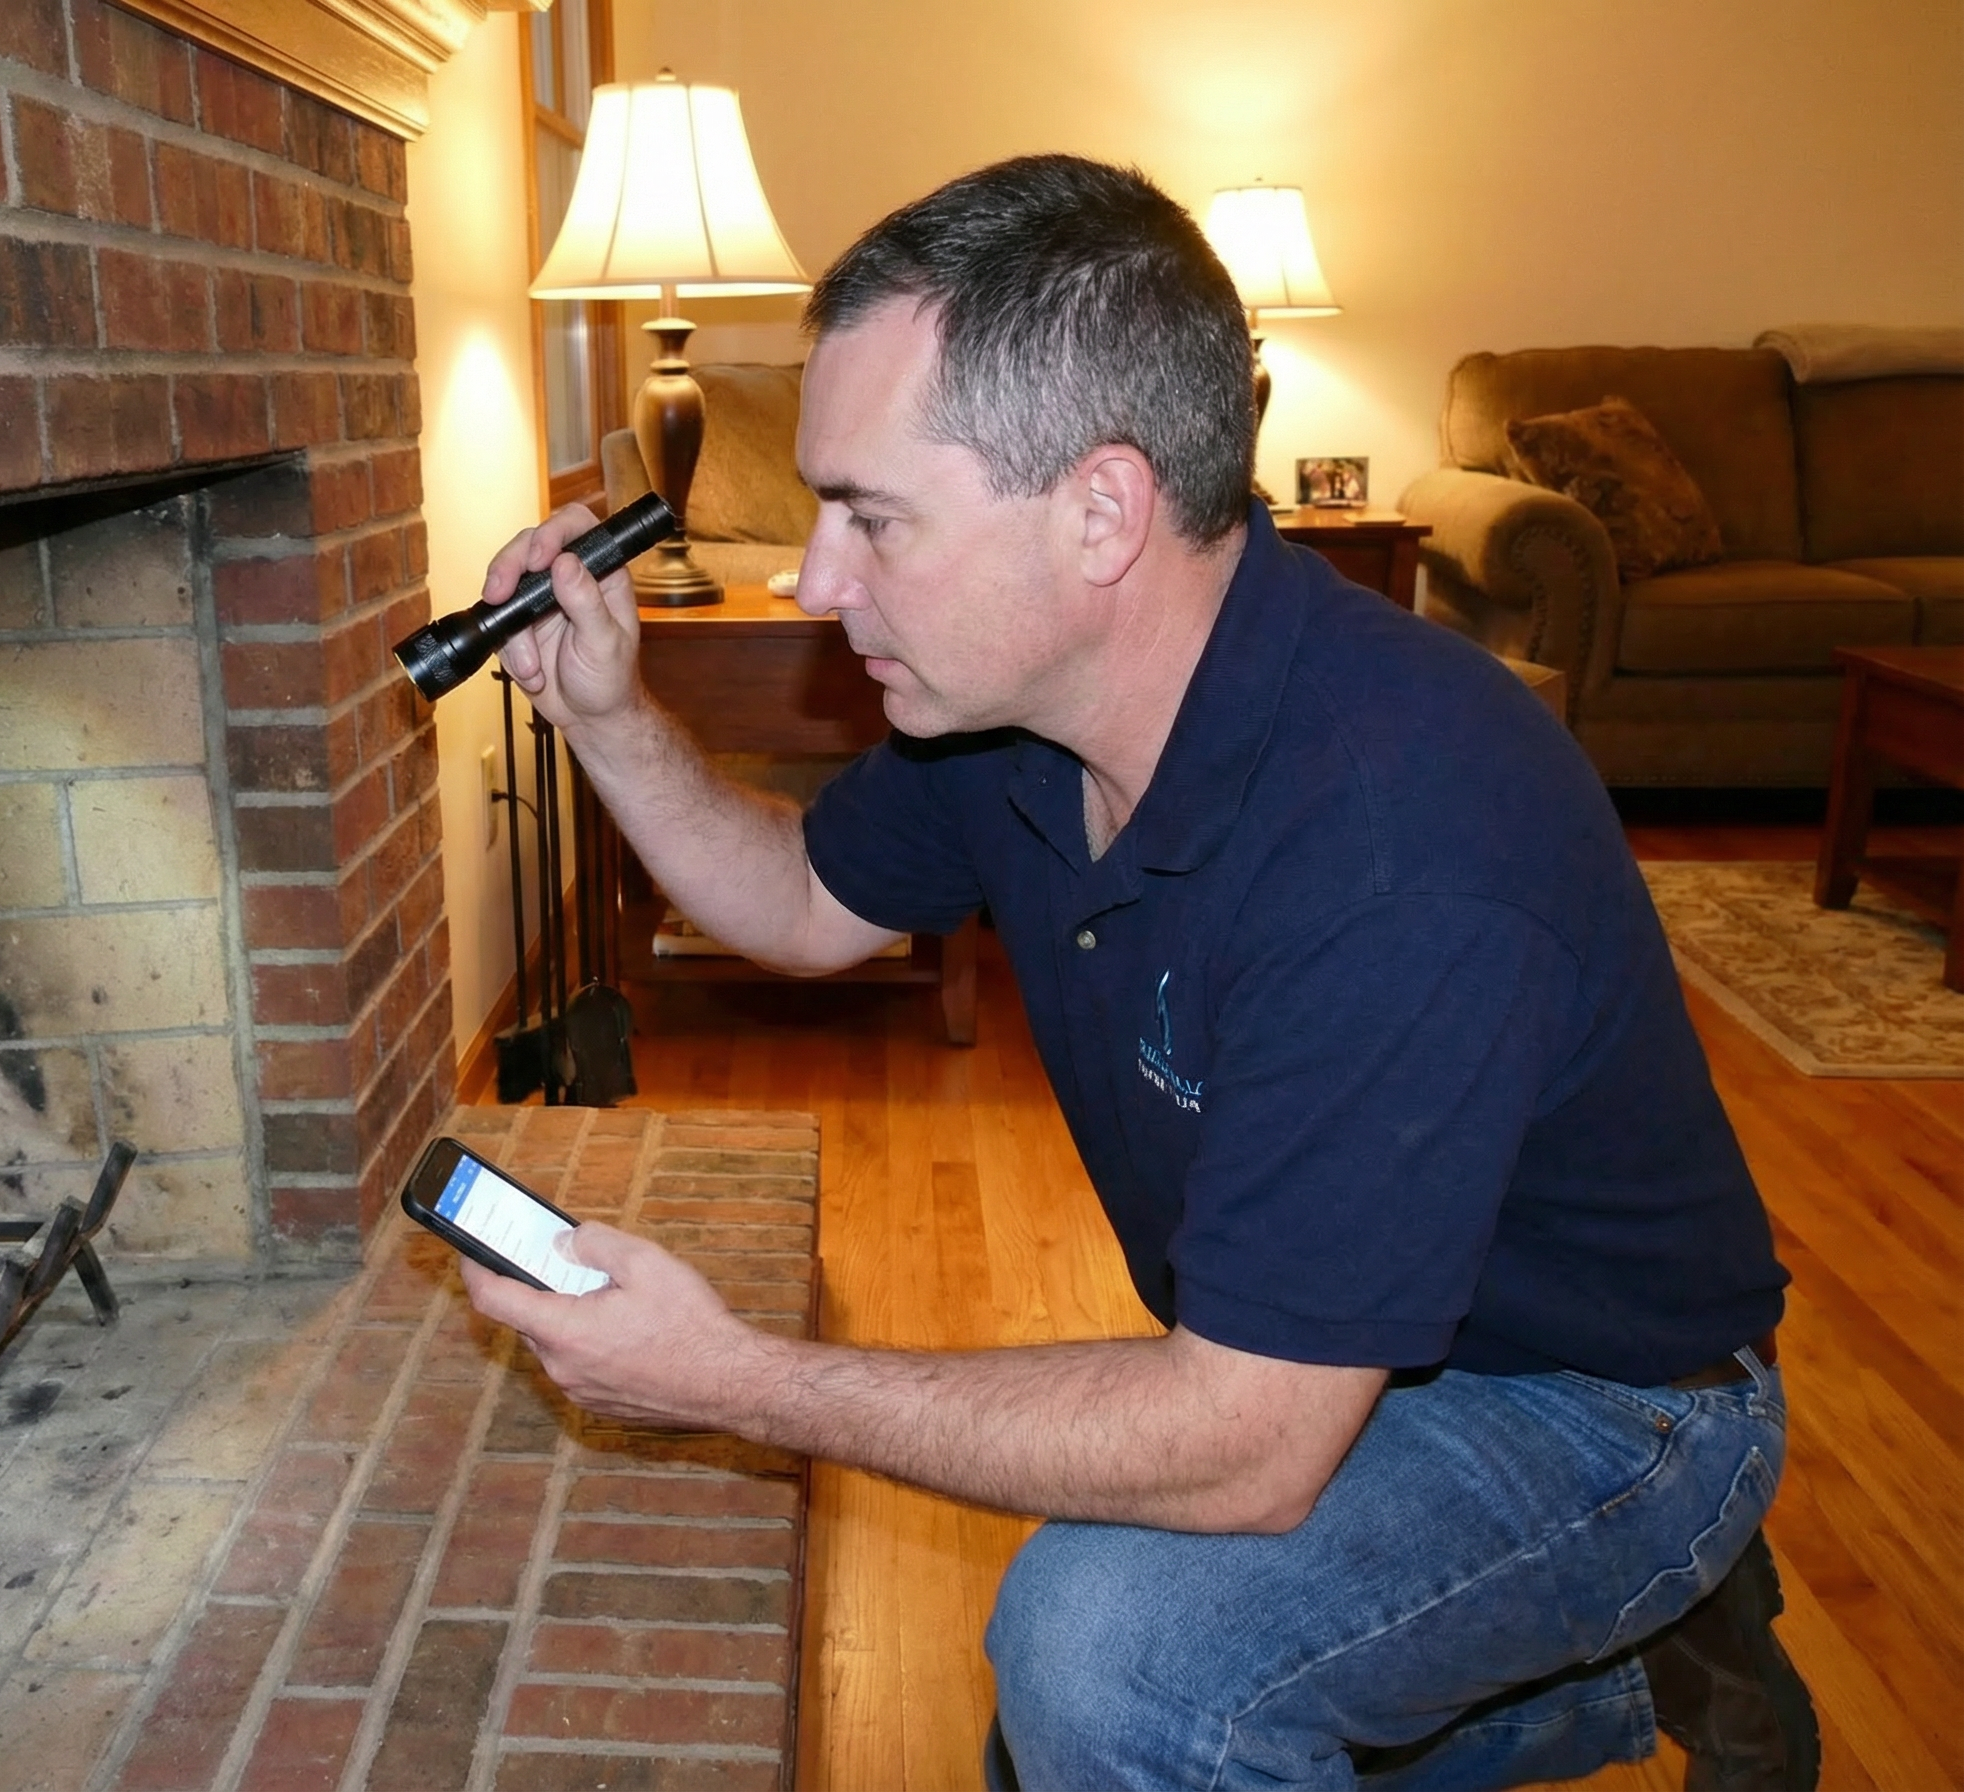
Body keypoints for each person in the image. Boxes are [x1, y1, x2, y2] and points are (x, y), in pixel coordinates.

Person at [461, 154, 1817, 1792]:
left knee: (1107, 1658)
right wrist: (604, 714)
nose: (821, 578)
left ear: (1101, 512)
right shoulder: (1012, 705)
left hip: (1608, 1409)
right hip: (1338, 1357)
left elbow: (1243, 1442)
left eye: (873, 515)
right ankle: (1607, 1685)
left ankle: (1646, 1591)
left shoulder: (1404, 843)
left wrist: (732, 1379)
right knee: (1091, 1712)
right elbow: (803, 907)